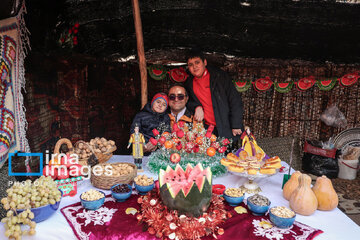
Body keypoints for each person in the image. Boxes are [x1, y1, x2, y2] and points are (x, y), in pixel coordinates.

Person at [184, 48, 244, 142]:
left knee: (228, 155)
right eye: (191, 65)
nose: (194, 67)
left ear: (205, 62)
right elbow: (188, 101)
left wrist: (236, 124)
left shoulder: (219, 77)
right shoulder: (189, 83)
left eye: (197, 62)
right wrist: (197, 107)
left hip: (226, 127)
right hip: (206, 130)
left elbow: (235, 100)